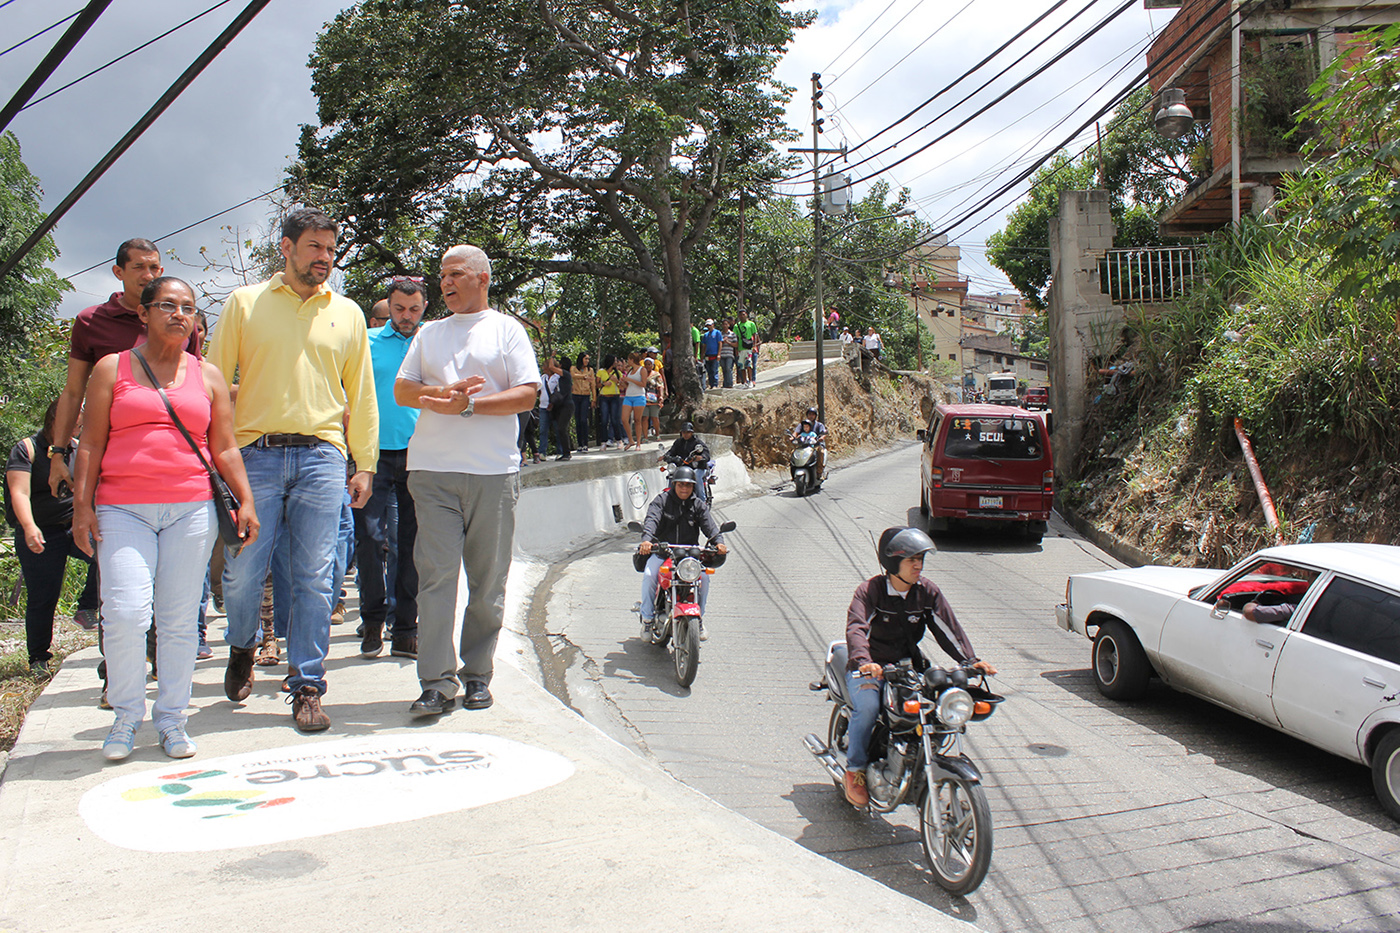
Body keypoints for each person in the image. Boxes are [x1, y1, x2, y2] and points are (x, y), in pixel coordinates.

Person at [71, 276, 258, 761]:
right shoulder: (112, 369)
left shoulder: (209, 375)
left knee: (178, 621)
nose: (180, 314)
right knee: (128, 613)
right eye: (168, 305)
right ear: (144, 314)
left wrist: (246, 499)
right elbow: (89, 443)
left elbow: (224, 446)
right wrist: (82, 506)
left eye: (189, 308)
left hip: (191, 508)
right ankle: (126, 716)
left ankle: (173, 719)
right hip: (122, 508)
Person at [208, 207, 377, 734]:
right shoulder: (245, 303)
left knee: (315, 576)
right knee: (241, 573)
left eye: (330, 249)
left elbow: (363, 394)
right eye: (314, 247)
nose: (324, 258)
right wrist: (214, 458)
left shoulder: (347, 312)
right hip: (254, 455)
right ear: (286, 248)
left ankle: (306, 685)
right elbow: (213, 382)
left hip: (323, 456)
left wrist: (364, 463)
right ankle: (242, 645)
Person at [394, 244, 540, 717]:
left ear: (482, 278)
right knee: (435, 578)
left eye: (454, 274)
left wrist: (472, 406)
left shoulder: (507, 330)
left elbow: (526, 394)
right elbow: (403, 389)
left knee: (487, 581)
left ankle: (478, 675)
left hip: (493, 474)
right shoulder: (429, 334)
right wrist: (439, 394)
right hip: (432, 472)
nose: (445, 284)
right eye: (441, 277)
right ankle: (436, 682)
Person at [841, 527, 996, 807]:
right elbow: (857, 629)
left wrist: (970, 662)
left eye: (921, 558)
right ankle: (855, 770)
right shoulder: (870, 591)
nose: (918, 565)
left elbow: (948, 629)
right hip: (871, 667)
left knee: (939, 704)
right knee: (868, 707)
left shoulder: (926, 592)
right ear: (892, 563)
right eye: (911, 559)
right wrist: (866, 663)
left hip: (908, 666)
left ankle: (930, 768)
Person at [47, 239, 200, 499]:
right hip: (109, 459)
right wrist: (58, 453)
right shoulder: (91, 321)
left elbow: (198, 389)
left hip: (177, 461)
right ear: (119, 272)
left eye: (154, 267)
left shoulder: (183, 323)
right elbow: (73, 392)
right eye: (138, 267)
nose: (148, 275)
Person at [355, 278, 425, 660]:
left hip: (419, 454)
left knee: (409, 543)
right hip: (372, 454)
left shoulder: (430, 343)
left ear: (423, 309)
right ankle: (372, 620)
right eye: (399, 309)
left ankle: (405, 627)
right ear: (389, 307)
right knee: (369, 538)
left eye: (414, 310)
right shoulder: (367, 341)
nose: (406, 317)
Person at [6, 401, 100, 673]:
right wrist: (29, 526)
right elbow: (19, 493)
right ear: (54, 423)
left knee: (106, 554)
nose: (76, 430)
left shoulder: (76, 448)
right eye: (73, 425)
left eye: (79, 426)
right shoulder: (26, 449)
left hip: (72, 526)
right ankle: (38, 658)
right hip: (39, 529)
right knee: (43, 596)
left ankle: (87, 607)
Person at [636, 466, 727, 640]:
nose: (684, 489)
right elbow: (652, 519)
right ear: (674, 484)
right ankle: (647, 619)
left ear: (693, 487)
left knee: (705, 579)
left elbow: (711, 527)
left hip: (689, 556)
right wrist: (647, 540)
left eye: (688, 485)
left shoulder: (698, 505)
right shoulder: (661, 501)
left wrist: (719, 542)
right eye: (680, 485)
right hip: (663, 554)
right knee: (649, 575)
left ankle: (698, 619)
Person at [664, 422, 712, 501]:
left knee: (696, 475)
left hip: (697, 467)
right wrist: (666, 456)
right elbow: (671, 451)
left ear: (692, 433)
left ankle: (702, 502)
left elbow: (706, 454)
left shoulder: (698, 443)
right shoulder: (678, 442)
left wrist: (700, 457)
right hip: (683, 467)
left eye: (688, 432)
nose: (685, 434)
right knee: (672, 475)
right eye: (684, 432)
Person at [791, 405, 829, 479]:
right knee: (793, 453)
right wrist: (792, 437)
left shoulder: (819, 425)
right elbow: (796, 432)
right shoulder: (802, 424)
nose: (811, 416)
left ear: (815, 416)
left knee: (820, 452)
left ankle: (819, 473)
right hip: (803, 446)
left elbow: (823, 433)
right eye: (809, 414)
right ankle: (793, 472)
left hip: (816, 445)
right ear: (807, 415)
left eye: (813, 414)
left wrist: (821, 438)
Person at [549, 355, 575, 461]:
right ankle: (565, 451)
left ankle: (566, 452)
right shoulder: (564, 377)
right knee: (561, 429)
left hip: (567, 405)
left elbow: (551, 367)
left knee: (561, 428)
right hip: (562, 405)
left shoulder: (566, 374)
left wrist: (552, 356)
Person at [596, 354, 623, 449]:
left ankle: (619, 440)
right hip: (604, 397)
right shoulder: (601, 372)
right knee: (604, 420)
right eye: (615, 361)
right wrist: (604, 383)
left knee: (615, 419)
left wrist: (617, 381)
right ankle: (604, 441)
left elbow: (623, 386)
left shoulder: (618, 373)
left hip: (615, 397)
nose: (616, 363)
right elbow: (597, 385)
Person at [622, 351, 647, 451]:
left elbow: (643, 384)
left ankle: (639, 443)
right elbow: (628, 385)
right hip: (628, 396)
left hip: (639, 396)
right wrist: (622, 382)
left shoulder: (642, 370)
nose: (628, 361)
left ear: (632, 360)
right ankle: (631, 440)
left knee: (637, 420)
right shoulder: (629, 371)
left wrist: (630, 380)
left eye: (628, 359)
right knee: (624, 419)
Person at [571, 352, 596, 452]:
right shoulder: (574, 368)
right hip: (575, 395)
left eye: (588, 359)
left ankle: (585, 443)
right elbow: (573, 375)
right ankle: (579, 444)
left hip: (585, 396)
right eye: (585, 359)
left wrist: (594, 398)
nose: (587, 361)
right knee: (577, 420)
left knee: (583, 420)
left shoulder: (590, 370)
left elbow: (593, 385)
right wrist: (584, 377)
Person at [735, 309, 758, 388]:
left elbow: (755, 335)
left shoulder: (751, 324)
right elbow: (736, 338)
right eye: (740, 315)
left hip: (749, 347)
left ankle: (751, 380)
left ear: (746, 315)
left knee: (749, 364)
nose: (742, 316)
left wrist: (754, 345)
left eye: (743, 314)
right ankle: (745, 381)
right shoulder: (737, 326)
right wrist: (737, 349)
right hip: (741, 348)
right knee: (742, 366)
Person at [644, 357, 665, 439]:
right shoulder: (642, 374)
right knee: (644, 417)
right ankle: (645, 436)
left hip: (654, 397)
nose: (647, 366)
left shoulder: (656, 374)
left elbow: (660, 386)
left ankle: (657, 434)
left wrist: (661, 396)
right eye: (646, 364)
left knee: (654, 417)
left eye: (649, 364)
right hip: (644, 398)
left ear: (652, 365)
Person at [700, 319, 722, 388]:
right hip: (707, 355)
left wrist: (719, 354)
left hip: (715, 355)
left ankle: (715, 384)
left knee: (714, 370)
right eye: (707, 326)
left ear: (713, 325)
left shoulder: (717, 333)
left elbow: (720, 343)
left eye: (710, 325)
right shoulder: (706, 335)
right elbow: (704, 345)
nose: (709, 327)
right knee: (709, 371)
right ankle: (711, 384)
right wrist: (702, 355)